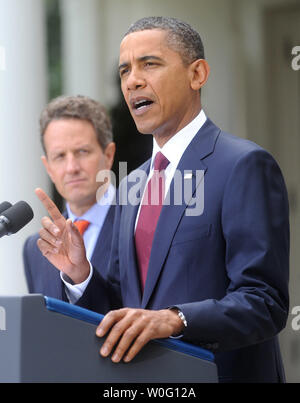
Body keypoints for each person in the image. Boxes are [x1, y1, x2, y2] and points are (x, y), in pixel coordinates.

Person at [35, 17, 289, 383]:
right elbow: (122, 309)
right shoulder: (134, 183)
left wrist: (175, 319)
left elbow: (265, 303)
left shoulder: (243, 165)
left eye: (149, 64)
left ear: (197, 74)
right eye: (124, 71)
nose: (132, 80)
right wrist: (80, 274)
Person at [23, 95, 116, 302]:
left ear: (108, 155)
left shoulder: (141, 225)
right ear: (48, 167)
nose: (72, 168)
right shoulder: (36, 249)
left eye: (82, 152)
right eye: (60, 156)